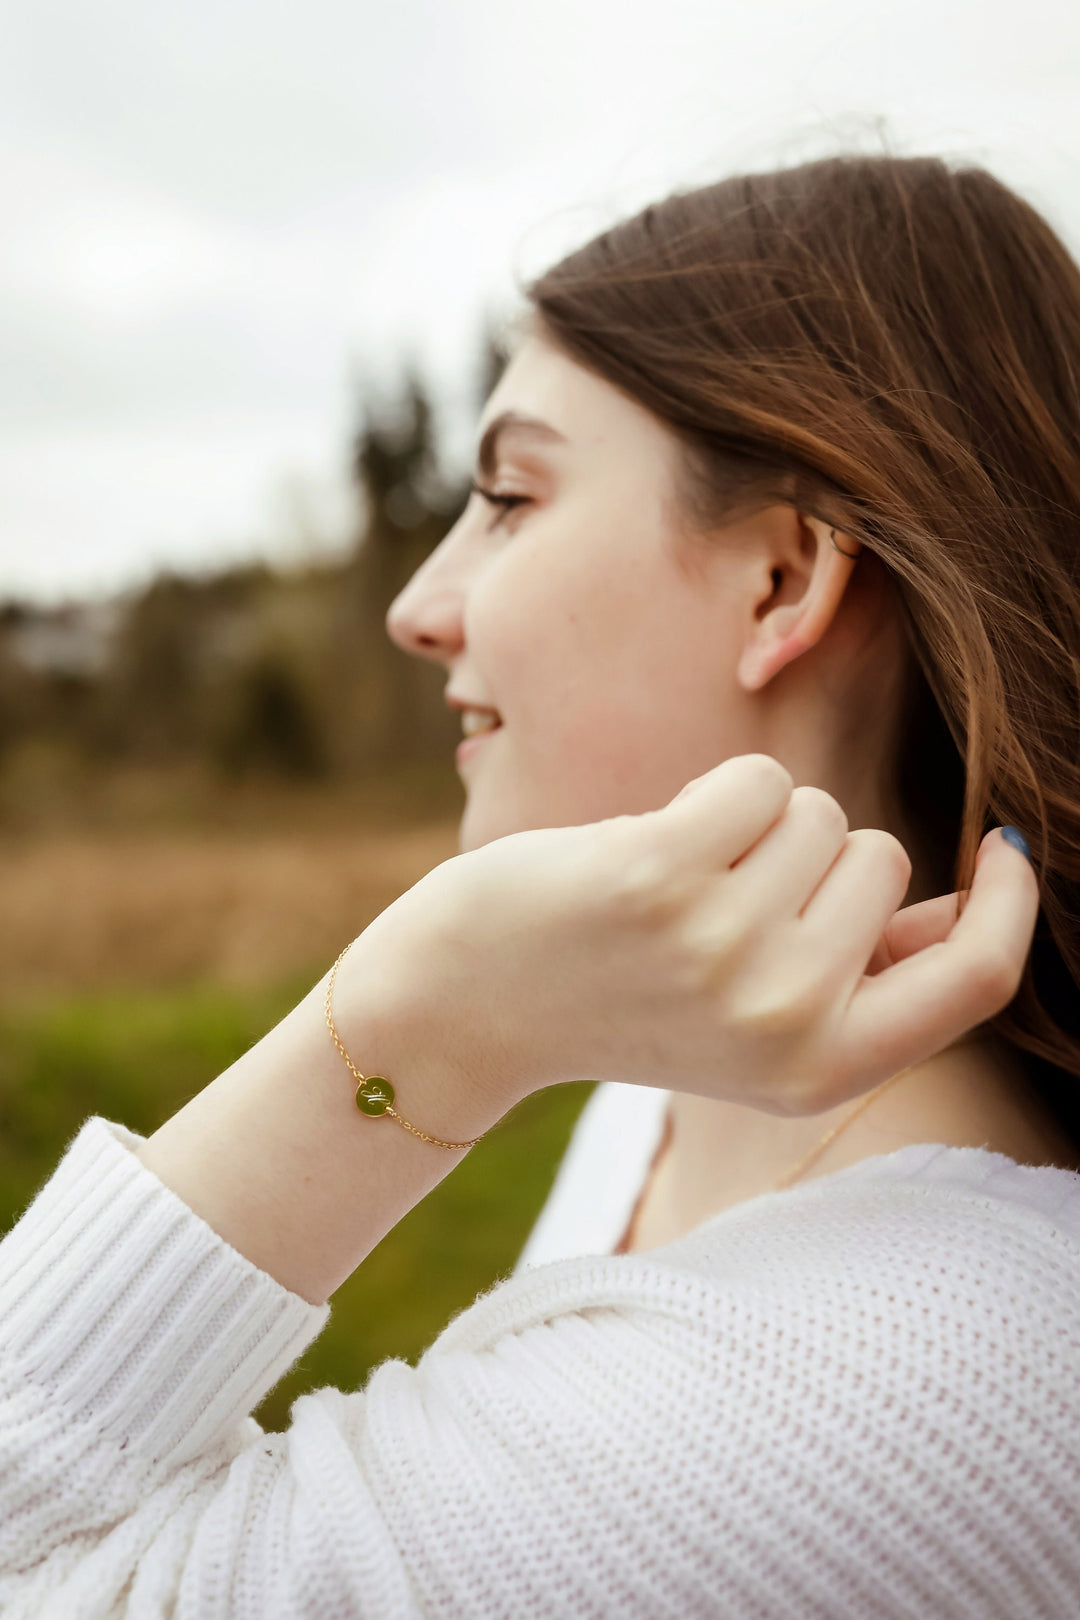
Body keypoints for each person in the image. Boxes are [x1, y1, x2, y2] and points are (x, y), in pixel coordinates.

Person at [2, 152, 1080, 1618]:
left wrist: (418, 1021)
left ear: (786, 578)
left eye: (509, 496)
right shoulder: (674, 1091)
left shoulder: (860, 1405)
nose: (415, 606)